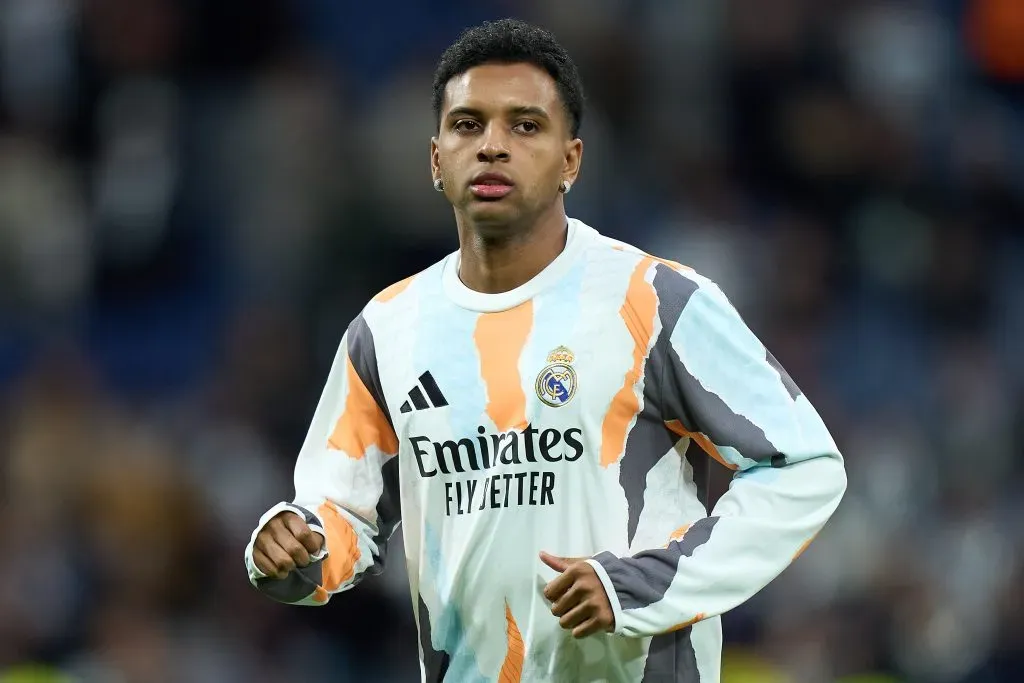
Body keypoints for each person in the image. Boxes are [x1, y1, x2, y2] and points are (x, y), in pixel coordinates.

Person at [244, 17, 847, 683]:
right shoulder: (386, 330)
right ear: (436, 158)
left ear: (572, 159)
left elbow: (806, 467)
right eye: (468, 124)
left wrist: (641, 584)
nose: (493, 146)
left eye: (525, 125)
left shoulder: (653, 299)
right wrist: (296, 545)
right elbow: (340, 515)